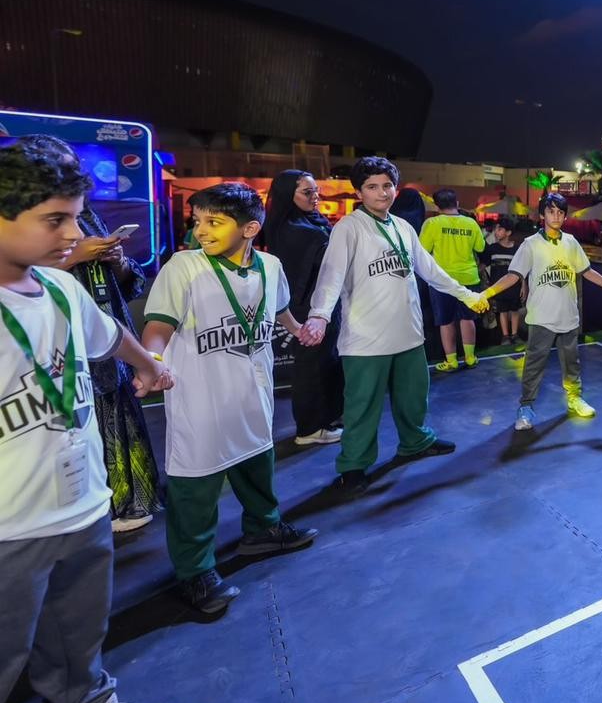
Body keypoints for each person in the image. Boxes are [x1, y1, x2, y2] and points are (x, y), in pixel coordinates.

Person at [0, 140, 195, 703]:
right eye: (54, 220)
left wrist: (150, 367)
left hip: (81, 506)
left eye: (77, 218)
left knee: (76, 634)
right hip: (9, 529)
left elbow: (109, 336)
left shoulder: (60, 288)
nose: (73, 235)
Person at [142, 183, 319, 613]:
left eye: (214, 222)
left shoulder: (270, 265)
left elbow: (278, 308)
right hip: (201, 398)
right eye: (197, 221)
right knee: (196, 484)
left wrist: (298, 329)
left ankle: (263, 530)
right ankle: (194, 570)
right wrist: (152, 361)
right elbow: (159, 325)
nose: (201, 230)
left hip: (252, 391)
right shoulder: (185, 267)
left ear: (250, 229)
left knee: (258, 463)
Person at [300, 158, 487, 495]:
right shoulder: (349, 228)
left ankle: (415, 442)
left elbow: (430, 270)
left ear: (396, 189)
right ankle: (353, 466)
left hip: (408, 334)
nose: (381, 192)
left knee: (413, 397)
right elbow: (331, 276)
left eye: (387, 185)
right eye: (372, 186)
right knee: (362, 406)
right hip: (366, 339)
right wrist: (319, 315)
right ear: (359, 192)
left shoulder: (403, 226)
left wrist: (467, 295)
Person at [17, 135, 163, 534]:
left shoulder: (88, 215)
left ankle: (132, 500)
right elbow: (25, 276)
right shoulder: (25, 227)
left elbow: (123, 290)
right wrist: (76, 257)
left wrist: (117, 260)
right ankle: (107, 506)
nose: (69, 231)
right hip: (62, 349)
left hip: (106, 329)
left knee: (120, 420)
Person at [479, 192, 602, 430]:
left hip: (568, 316)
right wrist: (486, 293)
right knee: (534, 364)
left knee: (572, 362)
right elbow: (513, 276)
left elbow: (587, 272)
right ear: (542, 215)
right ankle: (526, 407)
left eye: (560, 212)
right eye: (551, 211)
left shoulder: (571, 242)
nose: (556, 216)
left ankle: (574, 398)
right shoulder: (530, 244)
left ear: (565, 216)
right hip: (541, 318)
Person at [260, 170, 344, 447]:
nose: (315, 197)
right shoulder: (296, 231)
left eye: (316, 191)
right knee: (312, 367)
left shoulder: (308, 223)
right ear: (288, 195)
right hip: (307, 308)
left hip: (322, 306)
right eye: (307, 192)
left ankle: (326, 420)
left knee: (325, 363)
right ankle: (309, 428)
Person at [419, 188, 486, 371]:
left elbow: (422, 250)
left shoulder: (432, 223)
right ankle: (470, 358)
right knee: (468, 318)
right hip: (469, 278)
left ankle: (451, 361)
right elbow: (480, 247)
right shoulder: (471, 223)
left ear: (437, 206)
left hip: (442, 280)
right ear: (457, 204)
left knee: (445, 321)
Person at [481, 216, 525, 344]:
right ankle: (505, 336)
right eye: (496, 229)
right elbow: (484, 264)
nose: (496, 232)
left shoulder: (517, 249)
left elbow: (522, 269)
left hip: (515, 286)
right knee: (502, 310)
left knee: (515, 310)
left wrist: (524, 285)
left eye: (500, 229)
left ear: (508, 232)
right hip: (498, 287)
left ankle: (515, 334)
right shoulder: (492, 248)